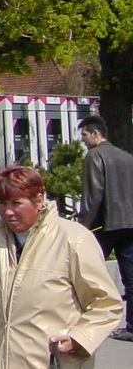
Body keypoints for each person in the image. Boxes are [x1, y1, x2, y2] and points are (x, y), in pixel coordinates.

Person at [0, 165, 121, 368]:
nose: (8, 211)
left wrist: (79, 339)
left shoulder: (73, 239)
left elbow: (106, 303)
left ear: (39, 200)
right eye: (2, 203)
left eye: (16, 203)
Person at [77, 115, 133, 341]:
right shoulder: (126, 157)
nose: (82, 140)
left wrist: (82, 227)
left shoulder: (95, 155)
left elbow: (93, 195)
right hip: (129, 223)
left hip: (106, 224)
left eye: (84, 135)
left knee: (88, 273)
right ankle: (131, 327)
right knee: (130, 276)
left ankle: (86, 321)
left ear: (95, 134)